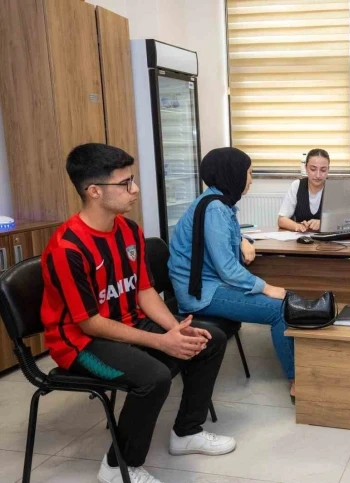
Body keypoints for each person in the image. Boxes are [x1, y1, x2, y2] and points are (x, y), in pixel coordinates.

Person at [40, 144, 235, 483]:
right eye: (125, 183)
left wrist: (176, 329)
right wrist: (161, 343)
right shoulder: (67, 248)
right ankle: (118, 466)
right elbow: (90, 323)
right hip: (80, 344)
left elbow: (144, 291)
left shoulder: (129, 230)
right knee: (153, 377)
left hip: (126, 322)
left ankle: (187, 432)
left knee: (209, 340)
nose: (135, 189)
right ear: (94, 191)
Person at [168, 147, 295, 400]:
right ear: (233, 173)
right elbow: (227, 269)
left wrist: (243, 240)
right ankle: (297, 381)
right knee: (280, 309)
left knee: (284, 299)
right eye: (249, 173)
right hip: (201, 294)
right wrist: (267, 287)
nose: (251, 180)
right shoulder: (215, 208)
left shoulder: (219, 203)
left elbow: (224, 239)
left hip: (209, 285)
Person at [277, 148, 330, 232]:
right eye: (313, 169)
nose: (318, 175)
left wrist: (323, 223)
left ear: (328, 170)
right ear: (306, 168)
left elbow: (345, 221)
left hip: (328, 239)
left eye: (323, 170)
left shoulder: (334, 189)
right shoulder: (297, 185)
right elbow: (281, 220)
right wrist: (297, 226)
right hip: (302, 238)